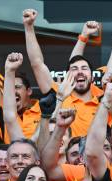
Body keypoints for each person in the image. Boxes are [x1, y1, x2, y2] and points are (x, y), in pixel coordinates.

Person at [23, 9, 105, 137]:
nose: (79, 72)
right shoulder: (58, 93)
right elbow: (37, 63)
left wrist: (85, 35)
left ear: (92, 76)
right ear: (68, 76)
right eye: (74, 69)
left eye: (84, 68)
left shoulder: (102, 98)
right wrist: (28, 27)